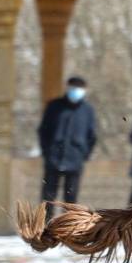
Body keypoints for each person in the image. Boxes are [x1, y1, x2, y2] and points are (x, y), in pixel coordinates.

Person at [37, 75, 98, 212]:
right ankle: (45, 224)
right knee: (48, 198)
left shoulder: (88, 110)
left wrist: (84, 154)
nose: (75, 91)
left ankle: (67, 225)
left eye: (79, 88)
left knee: (71, 200)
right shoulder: (54, 106)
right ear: (67, 88)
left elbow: (92, 136)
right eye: (73, 88)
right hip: (53, 158)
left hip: (75, 159)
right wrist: (47, 151)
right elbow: (43, 131)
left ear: (85, 90)